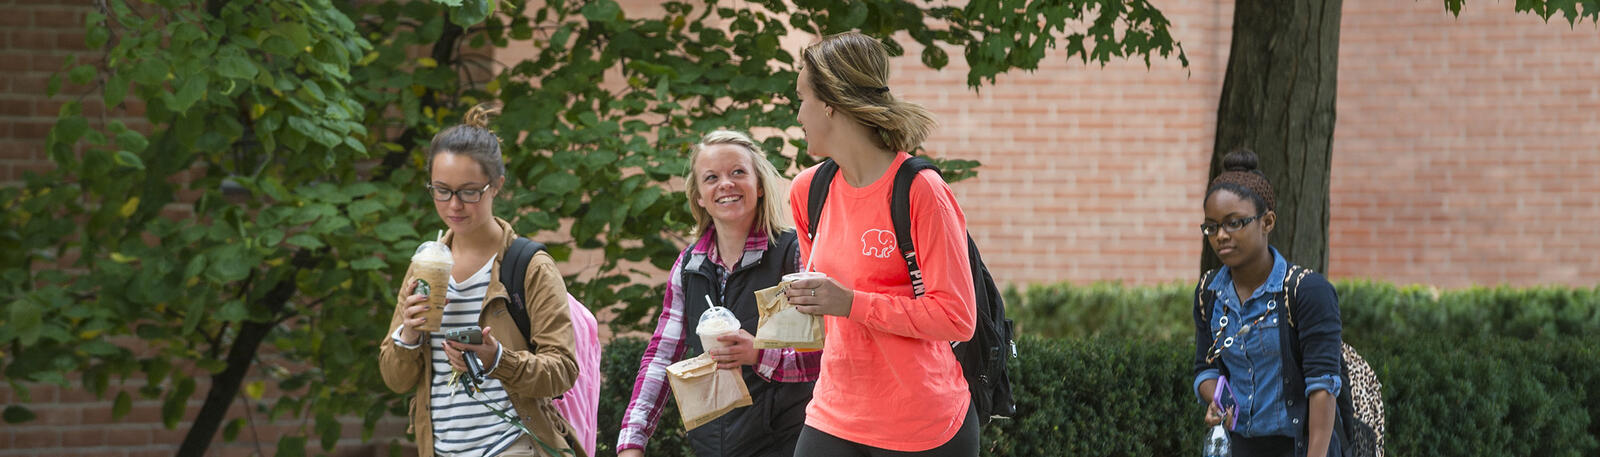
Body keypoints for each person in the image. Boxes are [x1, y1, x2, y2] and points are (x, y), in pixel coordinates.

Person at [784, 31, 980, 457]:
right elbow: (822, 316)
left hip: (924, 428)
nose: (798, 114)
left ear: (830, 104)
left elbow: (957, 317)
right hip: (832, 416)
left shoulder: (920, 190)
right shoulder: (807, 192)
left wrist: (850, 302)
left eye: (802, 99)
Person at [379, 102, 582, 457]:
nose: (454, 205)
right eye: (441, 190)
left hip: (512, 443)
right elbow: (396, 380)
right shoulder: (424, 266)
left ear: (496, 186)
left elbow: (562, 370)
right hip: (441, 448)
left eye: (469, 191)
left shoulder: (529, 265)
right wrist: (409, 334)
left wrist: (496, 359)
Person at [616, 130, 819, 457]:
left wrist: (758, 353)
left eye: (738, 172)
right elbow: (661, 356)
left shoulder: (793, 255)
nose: (725, 184)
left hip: (787, 442)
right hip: (712, 446)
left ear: (760, 185)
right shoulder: (688, 266)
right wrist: (631, 442)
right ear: (699, 195)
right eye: (711, 177)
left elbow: (825, 359)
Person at [1192, 149, 1344, 457]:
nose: (1221, 235)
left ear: (1267, 222)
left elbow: (1322, 388)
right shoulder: (1210, 292)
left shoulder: (1307, 292)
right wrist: (1217, 401)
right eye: (1212, 226)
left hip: (1298, 447)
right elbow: (1205, 370)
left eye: (1235, 223)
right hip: (1240, 448)